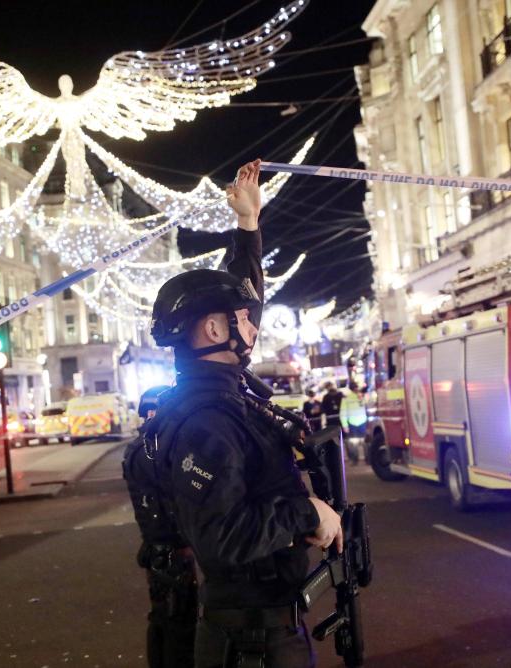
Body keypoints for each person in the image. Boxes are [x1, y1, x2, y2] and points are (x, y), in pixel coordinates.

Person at [146, 159, 343, 668]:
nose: (253, 328)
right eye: (241, 322)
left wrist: (248, 227)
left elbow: (241, 298)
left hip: (262, 631)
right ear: (213, 331)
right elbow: (221, 537)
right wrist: (308, 513)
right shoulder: (206, 421)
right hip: (250, 645)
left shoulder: (220, 395)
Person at [122, 386, 197, 668]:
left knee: (163, 619)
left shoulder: (136, 448)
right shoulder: (157, 450)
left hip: (156, 549)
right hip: (174, 550)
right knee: (180, 625)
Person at [339, 381, 366, 465]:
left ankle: (362, 459)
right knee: (355, 442)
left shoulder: (361, 396)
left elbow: (342, 413)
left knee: (361, 442)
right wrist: (345, 425)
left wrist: (345, 425)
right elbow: (343, 413)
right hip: (356, 423)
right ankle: (357, 460)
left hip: (358, 422)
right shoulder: (348, 398)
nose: (356, 389)